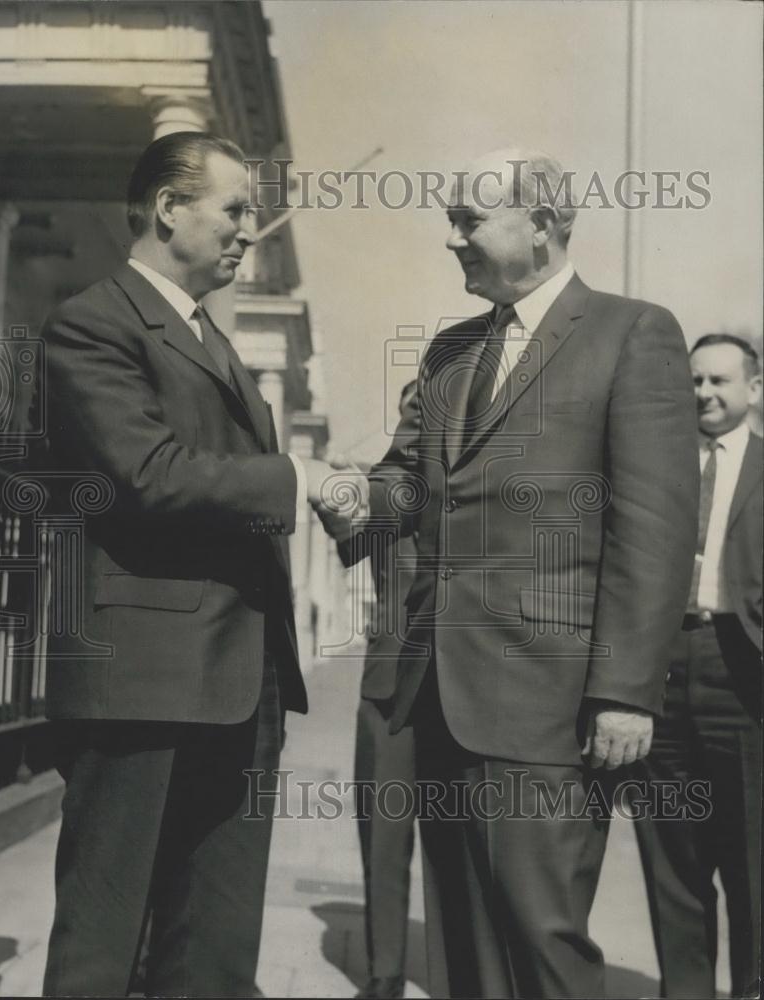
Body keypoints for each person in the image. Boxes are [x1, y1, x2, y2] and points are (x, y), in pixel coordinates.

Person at [319, 148, 700, 998]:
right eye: (449, 219)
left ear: (543, 223)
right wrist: (356, 496)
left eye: (468, 220)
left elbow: (654, 529)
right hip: (439, 696)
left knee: (541, 938)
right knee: (463, 947)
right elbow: (409, 480)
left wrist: (626, 692)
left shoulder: (631, 333)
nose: (450, 238)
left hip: (549, 706)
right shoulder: (451, 351)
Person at [40, 131, 338, 997]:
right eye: (236, 209)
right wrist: (296, 477)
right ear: (170, 208)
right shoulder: (93, 323)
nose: (251, 230)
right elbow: (148, 474)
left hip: (238, 684)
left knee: (212, 946)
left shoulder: (206, 337)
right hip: (141, 685)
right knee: (104, 941)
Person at [634, 334, 762, 999]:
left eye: (719, 381)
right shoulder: (655, 471)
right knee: (671, 855)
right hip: (661, 673)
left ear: (753, 389)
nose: (704, 394)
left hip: (743, 677)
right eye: (694, 382)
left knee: (751, 860)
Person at [354, 381, 419, 1000]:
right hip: (389, 681)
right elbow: (348, 533)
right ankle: (384, 976)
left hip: (472, 686)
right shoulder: (385, 487)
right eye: (408, 410)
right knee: (383, 835)